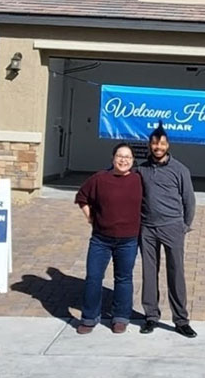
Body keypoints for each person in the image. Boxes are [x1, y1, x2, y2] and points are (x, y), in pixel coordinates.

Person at [74, 142, 142, 334]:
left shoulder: (138, 180)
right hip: (100, 240)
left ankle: (120, 317)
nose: (123, 160)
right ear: (113, 158)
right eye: (120, 156)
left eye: (128, 157)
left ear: (133, 160)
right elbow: (82, 197)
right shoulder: (99, 178)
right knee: (94, 278)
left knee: (123, 278)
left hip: (128, 240)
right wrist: (90, 217)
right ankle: (89, 318)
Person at [137, 122, 197, 338]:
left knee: (176, 273)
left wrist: (184, 225)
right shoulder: (141, 169)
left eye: (161, 143)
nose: (158, 147)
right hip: (147, 229)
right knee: (149, 273)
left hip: (172, 227)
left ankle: (181, 320)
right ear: (150, 145)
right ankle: (151, 316)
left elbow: (189, 200)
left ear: (168, 145)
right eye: (154, 143)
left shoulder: (180, 170)